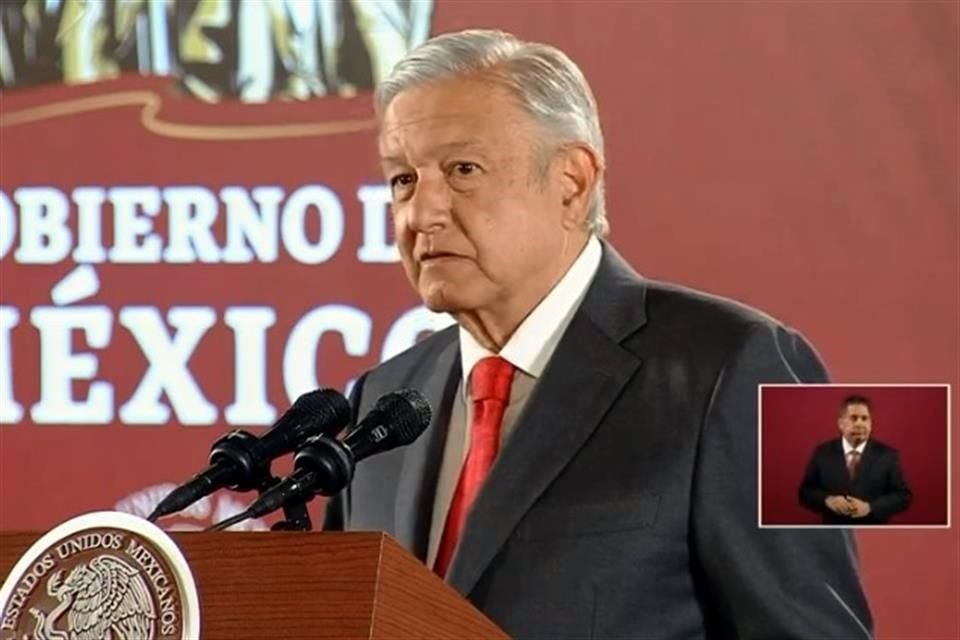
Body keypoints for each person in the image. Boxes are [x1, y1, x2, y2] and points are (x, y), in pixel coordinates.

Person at [325, 29, 873, 639]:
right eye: (403, 179)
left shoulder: (749, 364)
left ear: (572, 181)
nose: (420, 214)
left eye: (462, 170)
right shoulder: (382, 401)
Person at [799, 395, 912, 525]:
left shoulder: (887, 455)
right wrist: (827, 500)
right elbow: (805, 492)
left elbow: (903, 497)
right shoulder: (822, 452)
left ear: (870, 423)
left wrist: (870, 507)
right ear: (841, 423)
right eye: (853, 418)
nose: (859, 423)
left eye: (865, 419)